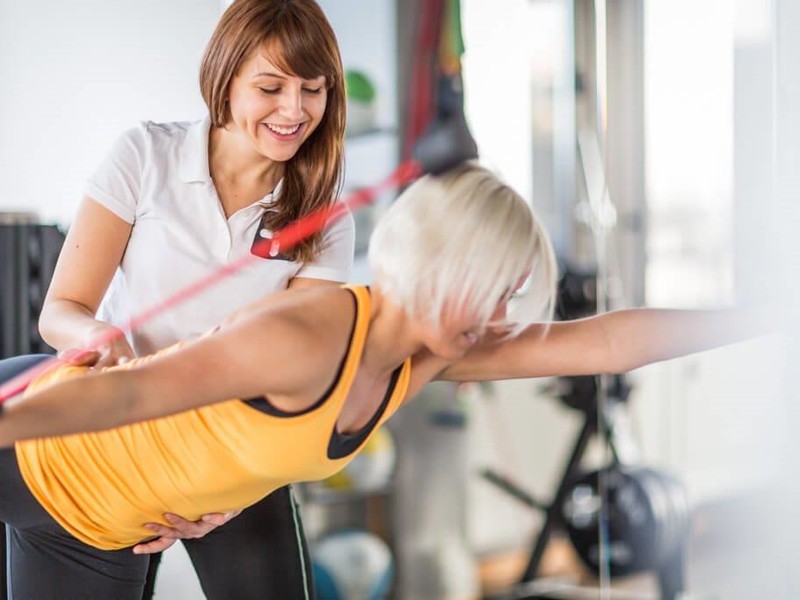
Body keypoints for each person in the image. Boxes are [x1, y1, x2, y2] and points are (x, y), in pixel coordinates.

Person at [0, 163, 769, 598]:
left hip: (100, 534)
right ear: (445, 266)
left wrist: (763, 315)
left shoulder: (429, 352)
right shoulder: (304, 336)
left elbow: (603, 343)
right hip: (31, 450)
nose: (503, 315)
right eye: (493, 288)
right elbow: (127, 392)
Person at [2, 0, 355, 598]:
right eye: (270, 87)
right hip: (121, 435)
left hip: (237, 452)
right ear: (224, 79)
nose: (294, 111)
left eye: (312, 90)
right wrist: (98, 338)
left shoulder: (325, 217)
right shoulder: (146, 155)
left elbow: (307, 378)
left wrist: (226, 501)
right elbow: (60, 309)